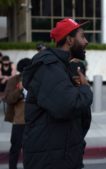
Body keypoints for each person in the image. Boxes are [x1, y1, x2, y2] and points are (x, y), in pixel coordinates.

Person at [22, 18, 93, 169]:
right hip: (50, 160)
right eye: (82, 36)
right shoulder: (49, 66)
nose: (86, 41)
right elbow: (67, 106)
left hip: (62, 155)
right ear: (69, 40)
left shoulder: (62, 66)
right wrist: (85, 88)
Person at [3, 58, 31, 169]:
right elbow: (9, 99)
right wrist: (19, 89)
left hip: (33, 121)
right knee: (15, 149)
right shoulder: (13, 80)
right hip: (19, 121)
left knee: (30, 150)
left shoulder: (36, 80)